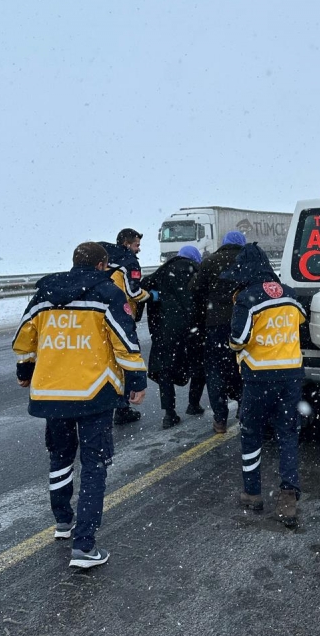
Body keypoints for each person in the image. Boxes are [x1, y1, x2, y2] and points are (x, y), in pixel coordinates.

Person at [12, 242, 147, 568]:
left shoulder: (45, 294)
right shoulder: (107, 294)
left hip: (52, 392)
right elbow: (125, 343)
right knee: (94, 465)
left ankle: (63, 522)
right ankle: (84, 546)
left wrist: (25, 372)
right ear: (102, 265)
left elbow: (24, 339)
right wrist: (136, 382)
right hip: (94, 392)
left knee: (59, 457)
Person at [221, 243, 306, 527]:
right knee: (287, 433)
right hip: (291, 375)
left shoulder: (247, 297)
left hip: (259, 377)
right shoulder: (290, 295)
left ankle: (253, 493)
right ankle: (288, 497)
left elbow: (239, 339)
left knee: (251, 431)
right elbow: (302, 320)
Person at [141, 245, 205, 428]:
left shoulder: (162, 271)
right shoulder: (196, 270)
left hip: (166, 330)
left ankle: (169, 414)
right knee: (198, 366)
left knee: (165, 371)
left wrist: (157, 298)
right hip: (192, 330)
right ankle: (193, 404)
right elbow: (201, 298)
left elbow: (143, 288)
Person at [193, 230, 245, 434]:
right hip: (243, 323)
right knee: (243, 367)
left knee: (215, 371)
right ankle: (243, 410)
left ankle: (220, 419)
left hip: (215, 324)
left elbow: (195, 289)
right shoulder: (247, 260)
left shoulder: (210, 261)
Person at [99, 228, 152, 425]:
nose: (138, 249)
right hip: (121, 313)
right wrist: (152, 296)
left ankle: (103, 402)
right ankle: (122, 407)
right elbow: (134, 291)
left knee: (104, 359)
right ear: (127, 244)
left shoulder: (103, 259)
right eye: (136, 245)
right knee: (125, 357)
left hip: (98, 313)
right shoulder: (129, 261)